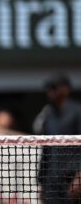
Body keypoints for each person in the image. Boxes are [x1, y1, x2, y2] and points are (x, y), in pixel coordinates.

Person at [33, 73, 81, 204]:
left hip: (71, 179)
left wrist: (79, 178)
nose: (50, 91)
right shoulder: (48, 114)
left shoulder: (77, 112)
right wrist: (42, 181)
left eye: (54, 87)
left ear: (66, 89)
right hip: (51, 180)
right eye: (48, 87)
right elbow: (46, 148)